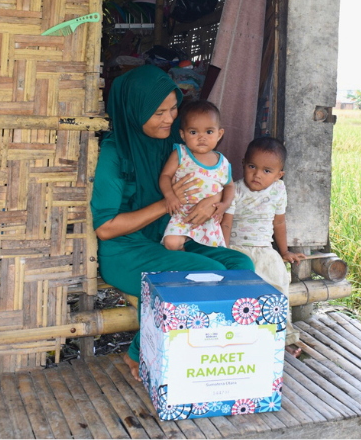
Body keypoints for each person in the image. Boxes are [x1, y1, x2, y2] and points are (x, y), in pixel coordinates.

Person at [91, 65, 254, 380]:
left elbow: (211, 177)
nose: (170, 119)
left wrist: (213, 201)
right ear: (135, 111)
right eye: (159, 113)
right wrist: (165, 203)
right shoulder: (115, 153)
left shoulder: (174, 144)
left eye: (173, 109)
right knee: (209, 272)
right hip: (126, 250)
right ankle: (139, 350)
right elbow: (106, 228)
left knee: (240, 264)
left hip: (169, 235)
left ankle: (211, 346)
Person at [221, 136, 306, 349]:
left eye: (267, 171)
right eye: (252, 167)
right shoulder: (235, 190)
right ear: (243, 164)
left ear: (279, 175)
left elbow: (279, 223)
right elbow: (226, 224)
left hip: (265, 251)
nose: (257, 174)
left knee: (278, 287)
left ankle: (282, 337)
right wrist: (223, 251)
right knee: (241, 294)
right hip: (237, 250)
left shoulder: (278, 190)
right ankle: (242, 338)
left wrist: (284, 252)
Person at [159, 100, 233, 251]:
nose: (201, 137)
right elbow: (165, 176)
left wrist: (225, 204)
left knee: (213, 251)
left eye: (209, 132)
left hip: (209, 218)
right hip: (183, 214)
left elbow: (230, 186)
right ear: (183, 134)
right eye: (193, 132)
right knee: (171, 243)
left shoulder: (223, 163)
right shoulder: (180, 154)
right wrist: (170, 196)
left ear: (219, 134)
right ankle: (183, 256)